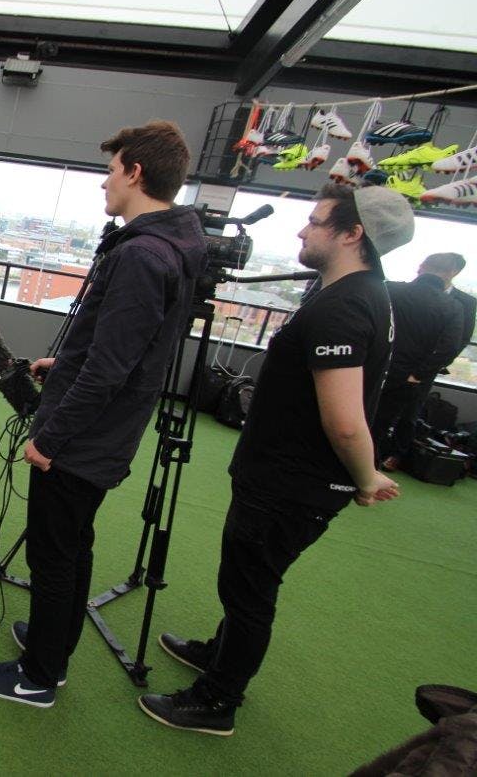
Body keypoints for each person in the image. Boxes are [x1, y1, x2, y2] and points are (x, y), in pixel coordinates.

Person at [139, 184, 414, 736]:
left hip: (292, 484)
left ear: (352, 234)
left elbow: (343, 417)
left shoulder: (345, 305)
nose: (301, 231)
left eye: (315, 222)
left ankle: (217, 701)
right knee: (247, 582)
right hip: (288, 478)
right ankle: (221, 655)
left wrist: (365, 478)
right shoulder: (357, 293)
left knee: (250, 590)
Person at [0, 120, 207, 707]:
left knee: (54, 554)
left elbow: (110, 369)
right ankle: (56, 642)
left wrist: (51, 438)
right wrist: (65, 359)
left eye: (111, 169)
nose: (105, 182)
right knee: (72, 546)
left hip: (81, 442)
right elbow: (120, 346)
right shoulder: (176, 241)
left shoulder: (144, 255)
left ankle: (38, 675)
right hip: (103, 436)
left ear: (135, 173)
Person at [371, 256, 463, 470]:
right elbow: (449, 348)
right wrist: (419, 374)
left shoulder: (389, 289)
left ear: (421, 268)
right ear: (450, 274)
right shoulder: (451, 307)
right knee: (380, 424)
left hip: (372, 366)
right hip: (407, 377)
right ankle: (363, 471)